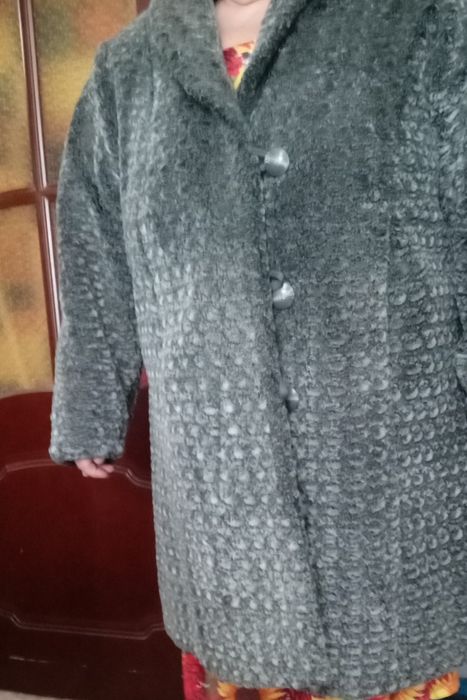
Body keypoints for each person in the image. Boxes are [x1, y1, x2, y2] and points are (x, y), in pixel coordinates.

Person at [48, 0, 467, 699]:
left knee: (396, 659)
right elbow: (96, 239)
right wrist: (91, 399)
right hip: (217, 487)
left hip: (388, 482)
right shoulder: (130, 68)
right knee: (242, 661)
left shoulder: (420, 21)